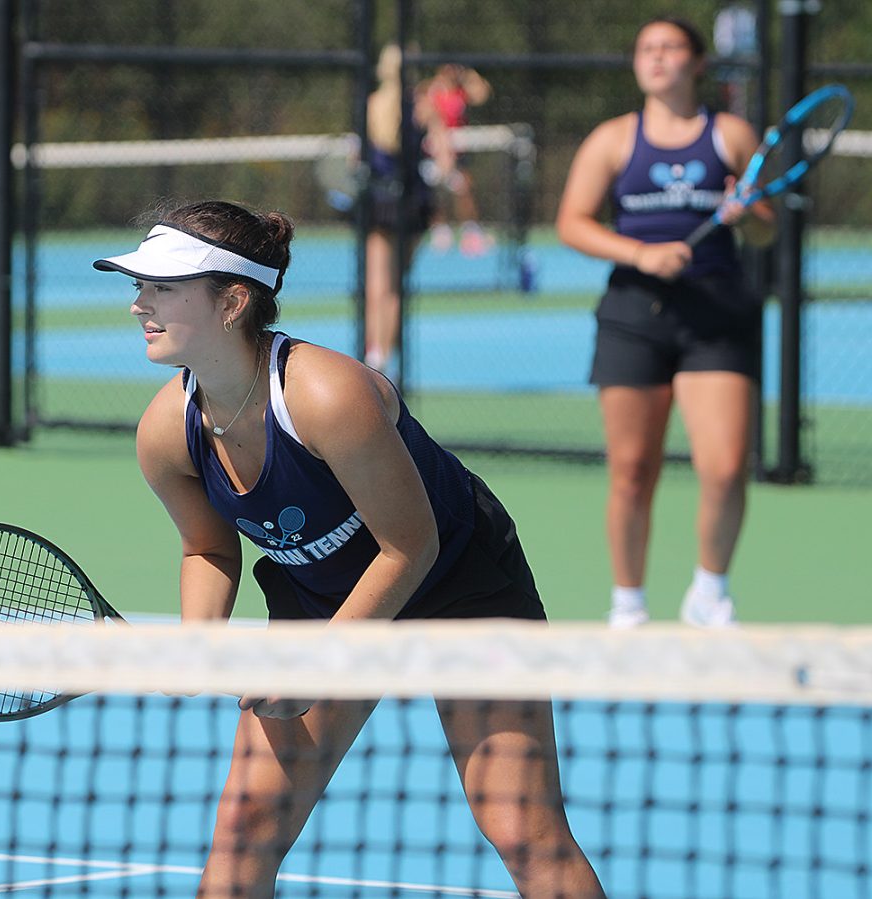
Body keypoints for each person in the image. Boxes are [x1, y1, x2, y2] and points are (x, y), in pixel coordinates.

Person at [93, 199, 606, 898]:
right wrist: (196, 641)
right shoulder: (166, 433)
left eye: (162, 288)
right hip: (320, 595)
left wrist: (323, 666)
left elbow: (409, 544)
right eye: (139, 287)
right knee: (245, 830)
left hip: (460, 586)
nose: (139, 305)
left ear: (232, 301)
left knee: (523, 829)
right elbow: (208, 551)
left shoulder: (328, 395)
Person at [554, 16, 775, 630]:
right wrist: (641, 254)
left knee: (727, 467)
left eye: (670, 47)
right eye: (645, 47)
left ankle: (710, 591)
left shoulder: (731, 133)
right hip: (634, 317)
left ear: (697, 62)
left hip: (716, 315)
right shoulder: (612, 140)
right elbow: (572, 222)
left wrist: (747, 210)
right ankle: (628, 603)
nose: (656, 57)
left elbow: (766, 227)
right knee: (631, 473)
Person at [363, 44, 455, 381]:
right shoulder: (424, 106)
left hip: (378, 203)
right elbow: (445, 160)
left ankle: (373, 353)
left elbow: (354, 159)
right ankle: (384, 356)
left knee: (377, 284)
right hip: (413, 204)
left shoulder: (370, 105)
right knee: (396, 287)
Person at [423, 62, 494, 256]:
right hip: (435, 149)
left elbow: (482, 94)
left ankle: (470, 231)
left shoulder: (461, 92)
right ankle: (440, 230)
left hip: (458, 149)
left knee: (463, 190)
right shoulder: (432, 91)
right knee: (435, 192)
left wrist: (468, 75)